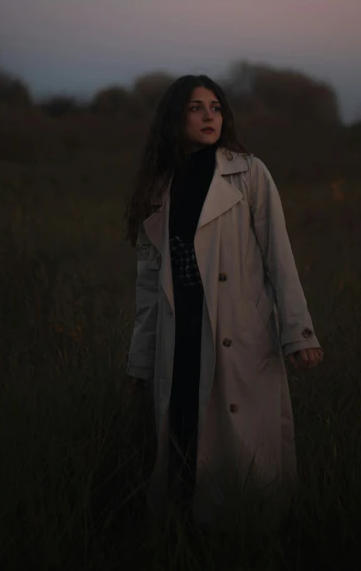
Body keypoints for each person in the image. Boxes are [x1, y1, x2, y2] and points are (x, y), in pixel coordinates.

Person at [123, 74, 323, 531]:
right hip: (181, 331)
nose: (209, 115)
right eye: (196, 107)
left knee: (245, 448)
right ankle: (185, 536)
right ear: (175, 118)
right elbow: (149, 289)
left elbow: (280, 256)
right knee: (184, 436)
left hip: (239, 331)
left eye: (215, 106)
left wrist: (299, 333)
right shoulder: (158, 188)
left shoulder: (248, 172)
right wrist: (138, 362)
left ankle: (252, 535)